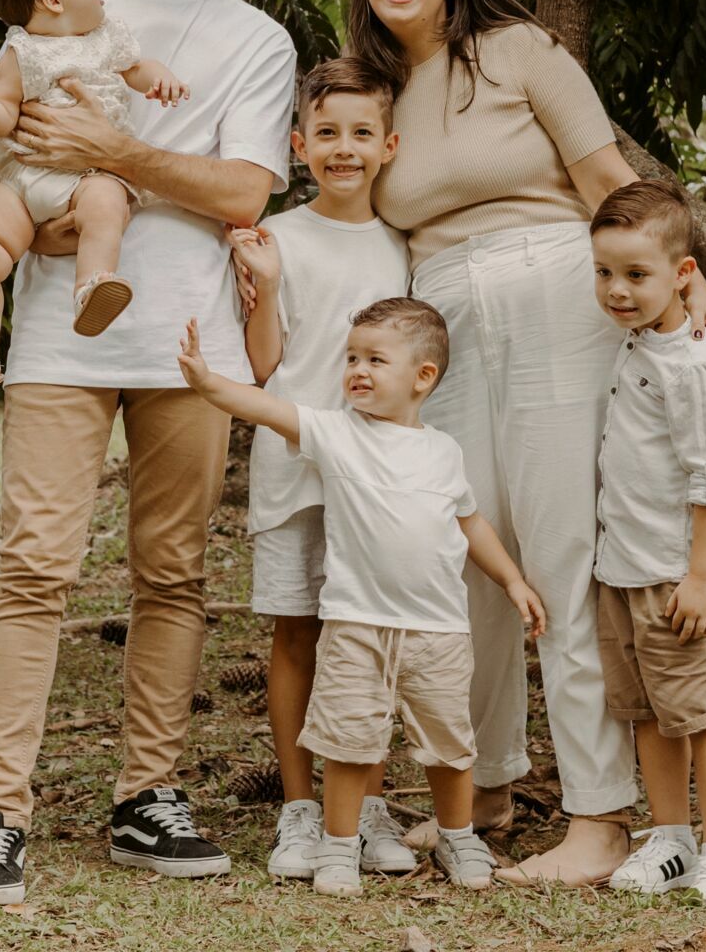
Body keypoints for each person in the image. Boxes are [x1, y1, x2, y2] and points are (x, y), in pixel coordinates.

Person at [346, 0, 706, 886]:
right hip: (444, 316)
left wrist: (691, 292)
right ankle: (478, 794)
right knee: (463, 553)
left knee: (563, 555)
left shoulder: (518, 52)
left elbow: (608, 177)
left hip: (555, 296)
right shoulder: (375, 90)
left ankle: (600, 815)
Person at [0, 0, 296, 908]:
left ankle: (149, 795)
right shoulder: (55, 2)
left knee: (173, 573)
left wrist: (112, 150)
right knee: (33, 569)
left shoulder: (257, 38)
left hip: (189, 340)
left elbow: (245, 188)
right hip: (56, 336)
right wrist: (38, 219)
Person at [177, 297, 546, 898]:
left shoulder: (444, 452)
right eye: (352, 357)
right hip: (355, 626)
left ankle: (458, 834)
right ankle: (340, 846)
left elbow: (471, 524)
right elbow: (266, 407)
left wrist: (512, 579)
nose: (358, 369)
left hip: (438, 631)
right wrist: (206, 379)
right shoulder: (336, 433)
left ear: (423, 376)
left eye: (376, 359)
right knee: (349, 742)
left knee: (449, 746)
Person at [227, 57, 414, 882]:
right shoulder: (279, 239)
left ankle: (365, 806)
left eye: (361, 134)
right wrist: (263, 287)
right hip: (296, 462)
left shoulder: (406, 246)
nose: (344, 148)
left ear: (389, 146)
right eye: (328, 134)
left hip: (377, 476)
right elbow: (264, 366)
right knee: (297, 630)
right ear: (300, 145)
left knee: (367, 638)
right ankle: (300, 811)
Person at [0, 0, 189, 405]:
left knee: (108, 205)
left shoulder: (107, 37)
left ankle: (91, 287)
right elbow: (3, 119)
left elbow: (136, 68)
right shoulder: (20, 53)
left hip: (87, 175)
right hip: (23, 179)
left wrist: (161, 79)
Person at [589, 181, 706, 906]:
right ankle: (670, 839)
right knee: (650, 714)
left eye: (635, 275)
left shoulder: (690, 366)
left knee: (704, 714)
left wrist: (700, 577)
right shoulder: (635, 346)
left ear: (683, 275)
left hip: (678, 572)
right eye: (604, 273)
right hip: (626, 567)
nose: (617, 290)